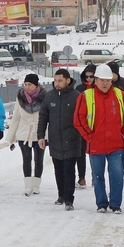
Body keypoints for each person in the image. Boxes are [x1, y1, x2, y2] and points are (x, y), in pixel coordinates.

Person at [73, 63, 124, 213]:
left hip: (116, 145)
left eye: (108, 80)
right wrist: (89, 137)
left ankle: (115, 204)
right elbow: (79, 119)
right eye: (102, 80)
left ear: (111, 81)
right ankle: (101, 203)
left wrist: (122, 134)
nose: (105, 83)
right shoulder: (86, 96)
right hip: (96, 145)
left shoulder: (120, 94)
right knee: (98, 176)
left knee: (117, 175)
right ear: (96, 80)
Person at [38, 68, 84, 210]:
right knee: (58, 169)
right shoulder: (50, 96)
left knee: (69, 169)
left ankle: (69, 199)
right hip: (55, 139)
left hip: (72, 139)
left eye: (60, 80)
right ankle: (61, 195)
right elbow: (43, 117)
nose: (57, 83)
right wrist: (41, 136)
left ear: (68, 80)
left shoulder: (77, 96)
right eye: (55, 80)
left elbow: (83, 117)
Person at [2, 73, 47, 196]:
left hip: (39, 131)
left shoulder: (45, 96)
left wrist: (49, 134)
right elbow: (16, 117)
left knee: (38, 159)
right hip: (24, 131)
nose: (27, 87)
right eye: (25, 84)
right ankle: (28, 186)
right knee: (26, 159)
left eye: (30, 84)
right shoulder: (20, 97)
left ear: (36, 84)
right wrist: (11, 137)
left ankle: (36, 185)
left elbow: (48, 116)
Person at [73, 63, 97, 188]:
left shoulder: (99, 88)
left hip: (96, 125)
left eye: (91, 76)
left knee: (95, 153)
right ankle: (81, 177)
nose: (88, 79)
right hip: (82, 125)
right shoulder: (80, 88)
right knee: (80, 153)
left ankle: (95, 177)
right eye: (86, 76)